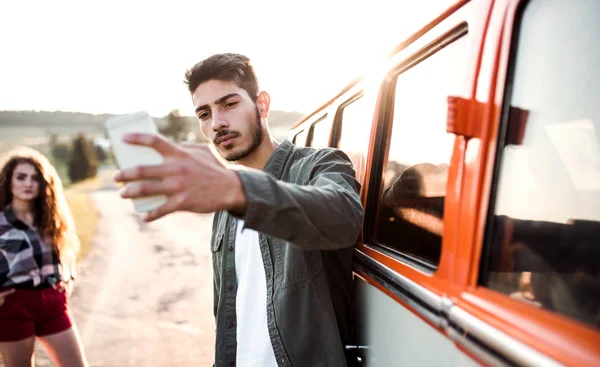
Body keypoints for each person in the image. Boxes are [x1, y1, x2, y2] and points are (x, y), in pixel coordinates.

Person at [115, 53, 364, 366]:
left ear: (262, 104)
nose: (217, 122)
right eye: (204, 114)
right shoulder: (227, 202)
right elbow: (228, 315)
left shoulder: (318, 165)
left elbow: (343, 217)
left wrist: (236, 190)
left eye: (229, 104)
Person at [0, 147, 88, 367]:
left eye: (35, 178)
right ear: (8, 181)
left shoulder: (50, 216)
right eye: (21, 177)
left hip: (52, 302)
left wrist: (68, 276)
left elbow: (67, 248)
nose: (28, 183)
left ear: (43, 183)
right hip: (13, 304)